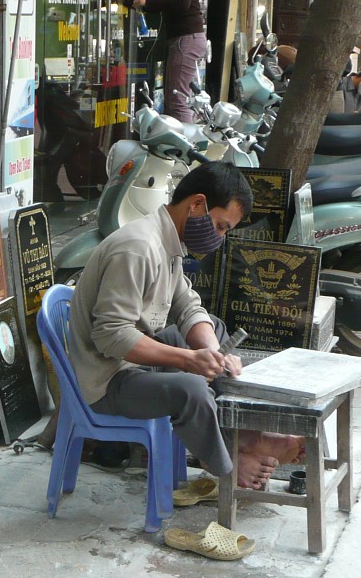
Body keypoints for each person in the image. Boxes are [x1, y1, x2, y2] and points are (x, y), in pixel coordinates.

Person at [68, 162, 303, 489]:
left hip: (133, 363)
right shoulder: (138, 248)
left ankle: (243, 437)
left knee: (213, 331)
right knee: (190, 389)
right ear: (196, 204)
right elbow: (112, 337)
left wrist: (211, 352)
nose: (219, 237)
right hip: (106, 380)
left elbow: (187, 305)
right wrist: (188, 361)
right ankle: (224, 462)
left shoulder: (169, 242)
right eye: (220, 226)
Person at [120, 0, 205, 122]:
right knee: (175, 97)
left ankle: (186, 145)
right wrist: (132, 0)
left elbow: (182, 2)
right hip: (185, 39)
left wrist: (147, 1)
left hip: (186, 39)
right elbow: (162, 5)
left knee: (177, 100)